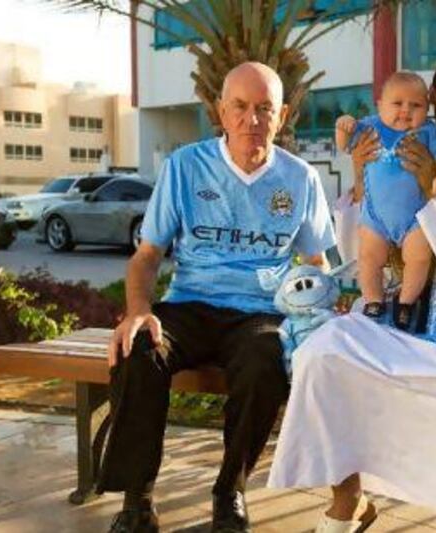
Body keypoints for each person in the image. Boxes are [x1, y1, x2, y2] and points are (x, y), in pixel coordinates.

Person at [268, 50, 436, 533]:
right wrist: (360, 179)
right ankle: (347, 502)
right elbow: (356, 258)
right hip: (394, 316)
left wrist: (434, 194)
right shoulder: (392, 144)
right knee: (322, 355)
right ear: (433, 97)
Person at [97, 62, 336, 533]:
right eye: (241, 107)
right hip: (189, 303)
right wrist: (139, 312)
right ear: (221, 112)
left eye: (265, 109)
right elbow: (147, 256)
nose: (253, 120)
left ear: (282, 115)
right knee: (139, 348)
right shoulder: (185, 167)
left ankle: (230, 492)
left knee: (267, 360)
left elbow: (317, 264)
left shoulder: (301, 178)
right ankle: (138, 500)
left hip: (259, 312)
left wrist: (313, 302)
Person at [335, 71, 436, 329]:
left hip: (415, 216)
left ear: (428, 108)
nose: (406, 111)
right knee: (368, 257)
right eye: (397, 103)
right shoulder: (370, 126)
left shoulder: (427, 132)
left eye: (416, 105)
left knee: (419, 258)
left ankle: (406, 302)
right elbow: (345, 146)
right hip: (375, 217)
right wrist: (343, 126)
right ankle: (373, 301)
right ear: (379, 106)